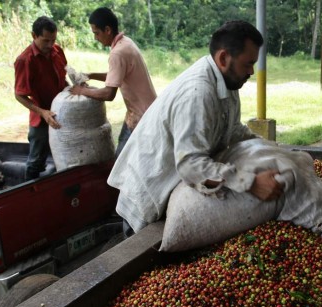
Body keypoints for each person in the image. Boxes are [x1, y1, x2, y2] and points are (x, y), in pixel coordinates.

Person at [107, 20, 283, 235]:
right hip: (149, 190)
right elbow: (191, 165)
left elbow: (233, 129)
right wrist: (251, 183)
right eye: (248, 63)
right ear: (224, 58)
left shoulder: (227, 81)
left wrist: (270, 149)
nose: (251, 71)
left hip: (170, 184)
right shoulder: (197, 93)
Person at [69, 7, 156, 158]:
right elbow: (117, 76)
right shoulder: (126, 42)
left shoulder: (117, 53)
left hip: (141, 118)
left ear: (107, 30)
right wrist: (91, 75)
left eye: (97, 33)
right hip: (144, 113)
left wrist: (81, 91)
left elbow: (109, 93)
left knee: (121, 164)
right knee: (130, 161)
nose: (96, 38)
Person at [14, 16, 68, 180]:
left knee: (67, 153)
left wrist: (73, 88)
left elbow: (63, 78)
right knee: (37, 159)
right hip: (41, 117)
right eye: (45, 41)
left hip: (62, 111)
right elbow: (19, 95)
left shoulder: (57, 51)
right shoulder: (25, 60)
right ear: (34, 36)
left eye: (53, 40)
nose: (50, 45)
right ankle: (30, 193)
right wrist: (43, 112)